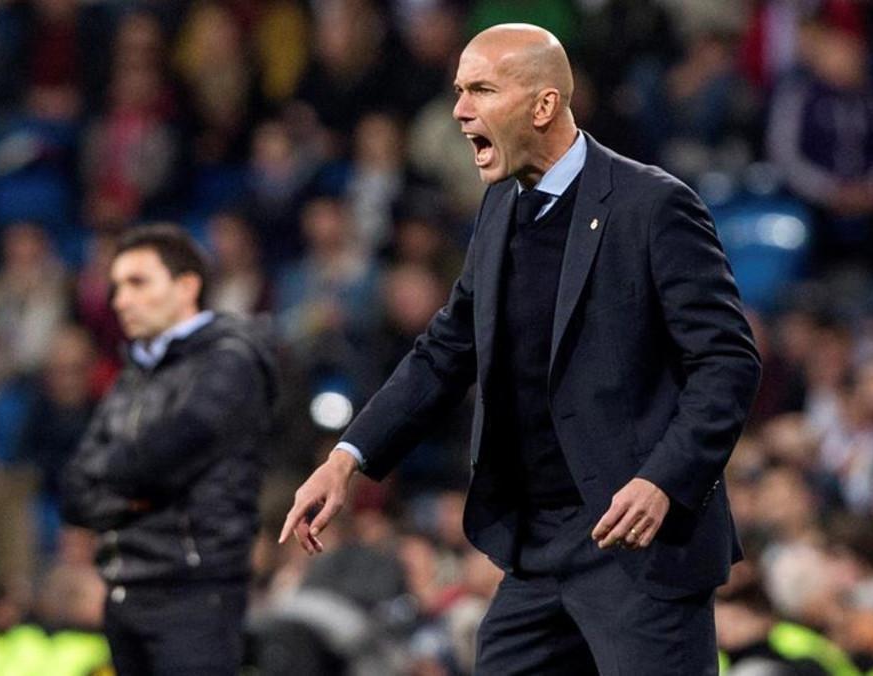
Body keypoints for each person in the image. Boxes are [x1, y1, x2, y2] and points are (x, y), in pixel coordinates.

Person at [281, 23, 761, 675]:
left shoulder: (652, 206)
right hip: (539, 549)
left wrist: (664, 479)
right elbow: (447, 350)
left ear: (542, 106)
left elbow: (727, 363)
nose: (459, 111)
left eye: (481, 90)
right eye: (458, 91)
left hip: (638, 549)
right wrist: (347, 459)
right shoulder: (499, 206)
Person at [61, 224, 278, 676]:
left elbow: (172, 449)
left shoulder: (230, 359)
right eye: (116, 286)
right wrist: (131, 491)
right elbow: (75, 488)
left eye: (138, 282)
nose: (120, 300)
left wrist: (118, 482)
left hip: (194, 593)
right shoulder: (134, 373)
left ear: (186, 285)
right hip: (124, 589)